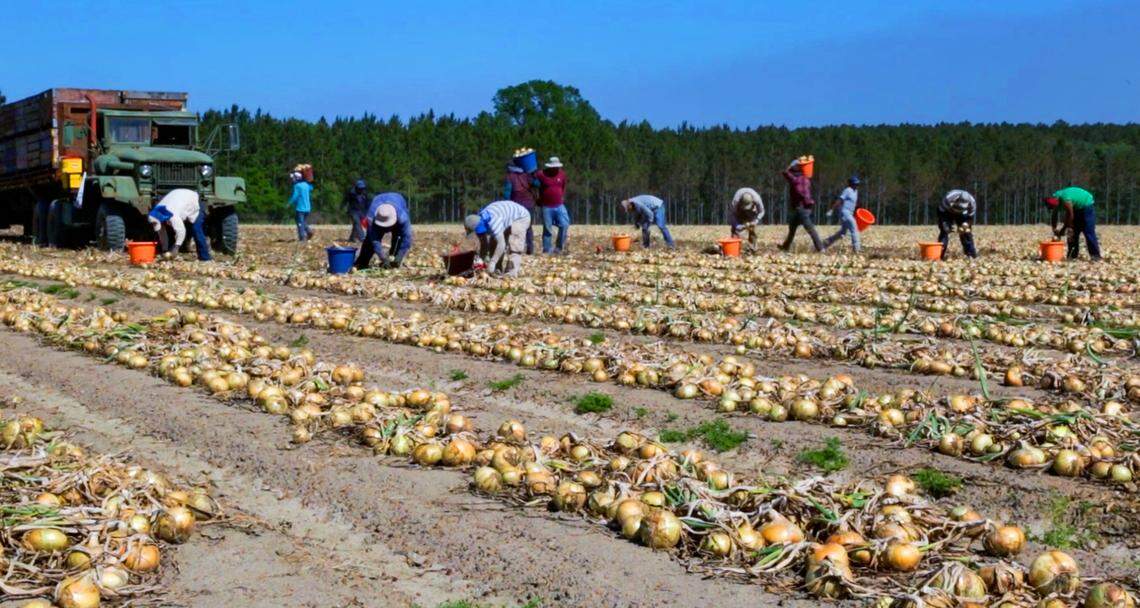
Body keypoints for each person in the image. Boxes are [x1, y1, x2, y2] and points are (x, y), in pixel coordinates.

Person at [464, 200, 531, 277]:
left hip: (521, 217)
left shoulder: (493, 221)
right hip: (505, 217)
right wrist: (481, 261)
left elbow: (502, 244)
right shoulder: (481, 220)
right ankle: (497, 269)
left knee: (514, 245)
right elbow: (484, 244)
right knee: (493, 243)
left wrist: (492, 262)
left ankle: (511, 273)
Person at [147, 188, 212, 261]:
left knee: (196, 229)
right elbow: (162, 233)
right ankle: (170, 252)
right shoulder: (158, 212)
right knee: (174, 229)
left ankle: (205, 258)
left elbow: (181, 231)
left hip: (194, 200)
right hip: (181, 198)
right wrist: (164, 250)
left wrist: (177, 247)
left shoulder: (172, 214)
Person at [354, 193, 413, 269]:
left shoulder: (402, 217)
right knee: (369, 241)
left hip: (397, 201)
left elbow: (407, 238)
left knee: (398, 237)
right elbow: (375, 240)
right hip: (378, 208)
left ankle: (394, 261)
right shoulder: (371, 217)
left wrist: (400, 256)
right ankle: (362, 263)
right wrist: (383, 258)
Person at [778, 158, 824, 252]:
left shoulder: (795, 180)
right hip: (803, 207)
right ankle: (785, 247)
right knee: (792, 228)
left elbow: (785, 172)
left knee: (810, 228)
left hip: (801, 208)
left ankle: (821, 248)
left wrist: (791, 164)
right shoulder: (806, 179)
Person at [1045, 186, 1101, 260]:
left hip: (1086, 205)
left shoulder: (1065, 199)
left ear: (1057, 203)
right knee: (1072, 233)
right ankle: (1072, 255)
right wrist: (1054, 229)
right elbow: (1054, 216)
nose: (1054, 209)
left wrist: (1063, 229)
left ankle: (1095, 255)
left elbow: (1070, 215)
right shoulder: (1054, 199)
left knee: (1088, 231)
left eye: (1054, 207)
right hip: (1076, 207)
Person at [534, 156, 569, 254]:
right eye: (554, 167)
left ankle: (559, 248)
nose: (556, 168)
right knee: (547, 229)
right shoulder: (541, 174)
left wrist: (562, 196)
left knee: (564, 224)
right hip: (546, 206)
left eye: (557, 167)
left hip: (559, 204)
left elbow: (564, 186)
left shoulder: (562, 174)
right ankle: (547, 249)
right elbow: (534, 184)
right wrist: (537, 198)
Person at [503, 161, 538, 254]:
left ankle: (514, 249)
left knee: (513, 226)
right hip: (529, 204)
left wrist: (506, 204)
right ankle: (530, 249)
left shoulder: (510, 176)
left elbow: (507, 193)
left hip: (516, 206)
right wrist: (534, 175)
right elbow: (537, 184)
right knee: (528, 227)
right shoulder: (527, 175)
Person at [937, 189, 978, 260]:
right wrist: (944, 223)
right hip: (947, 212)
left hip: (963, 215)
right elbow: (940, 212)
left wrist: (966, 224)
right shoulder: (948, 199)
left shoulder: (972, 203)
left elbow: (970, 217)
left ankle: (971, 255)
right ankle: (939, 255)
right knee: (944, 232)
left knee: (966, 233)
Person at [824, 176, 862, 252]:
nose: (857, 186)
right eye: (855, 184)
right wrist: (831, 209)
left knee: (843, 232)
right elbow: (840, 200)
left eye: (857, 184)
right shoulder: (847, 190)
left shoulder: (856, 191)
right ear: (851, 184)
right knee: (854, 229)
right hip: (845, 212)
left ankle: (826, 243)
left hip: (850, 213)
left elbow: (854, 203)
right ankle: (857, 249)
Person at [729, 188, 765, 252]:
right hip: (739, 211)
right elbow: (732, 215)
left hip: (752, 212)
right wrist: (737, 225)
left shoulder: (757, 199)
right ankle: (735, 248)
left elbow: (762, 211)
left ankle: (753, 247)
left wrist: (756, 221)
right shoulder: (735, 201)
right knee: (735, 230)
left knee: (752, 229)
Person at [288, 171, 314, 242]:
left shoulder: (297, 186)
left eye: (293, 178)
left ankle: (302, 237)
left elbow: (295, 196)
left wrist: (289, 203)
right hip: (308, 208)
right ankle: (308, 231)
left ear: (296, 178)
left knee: (299, 222)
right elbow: (311, 187)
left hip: (300, 208)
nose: (292, 179)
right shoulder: (306, 185)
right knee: (303, 221)